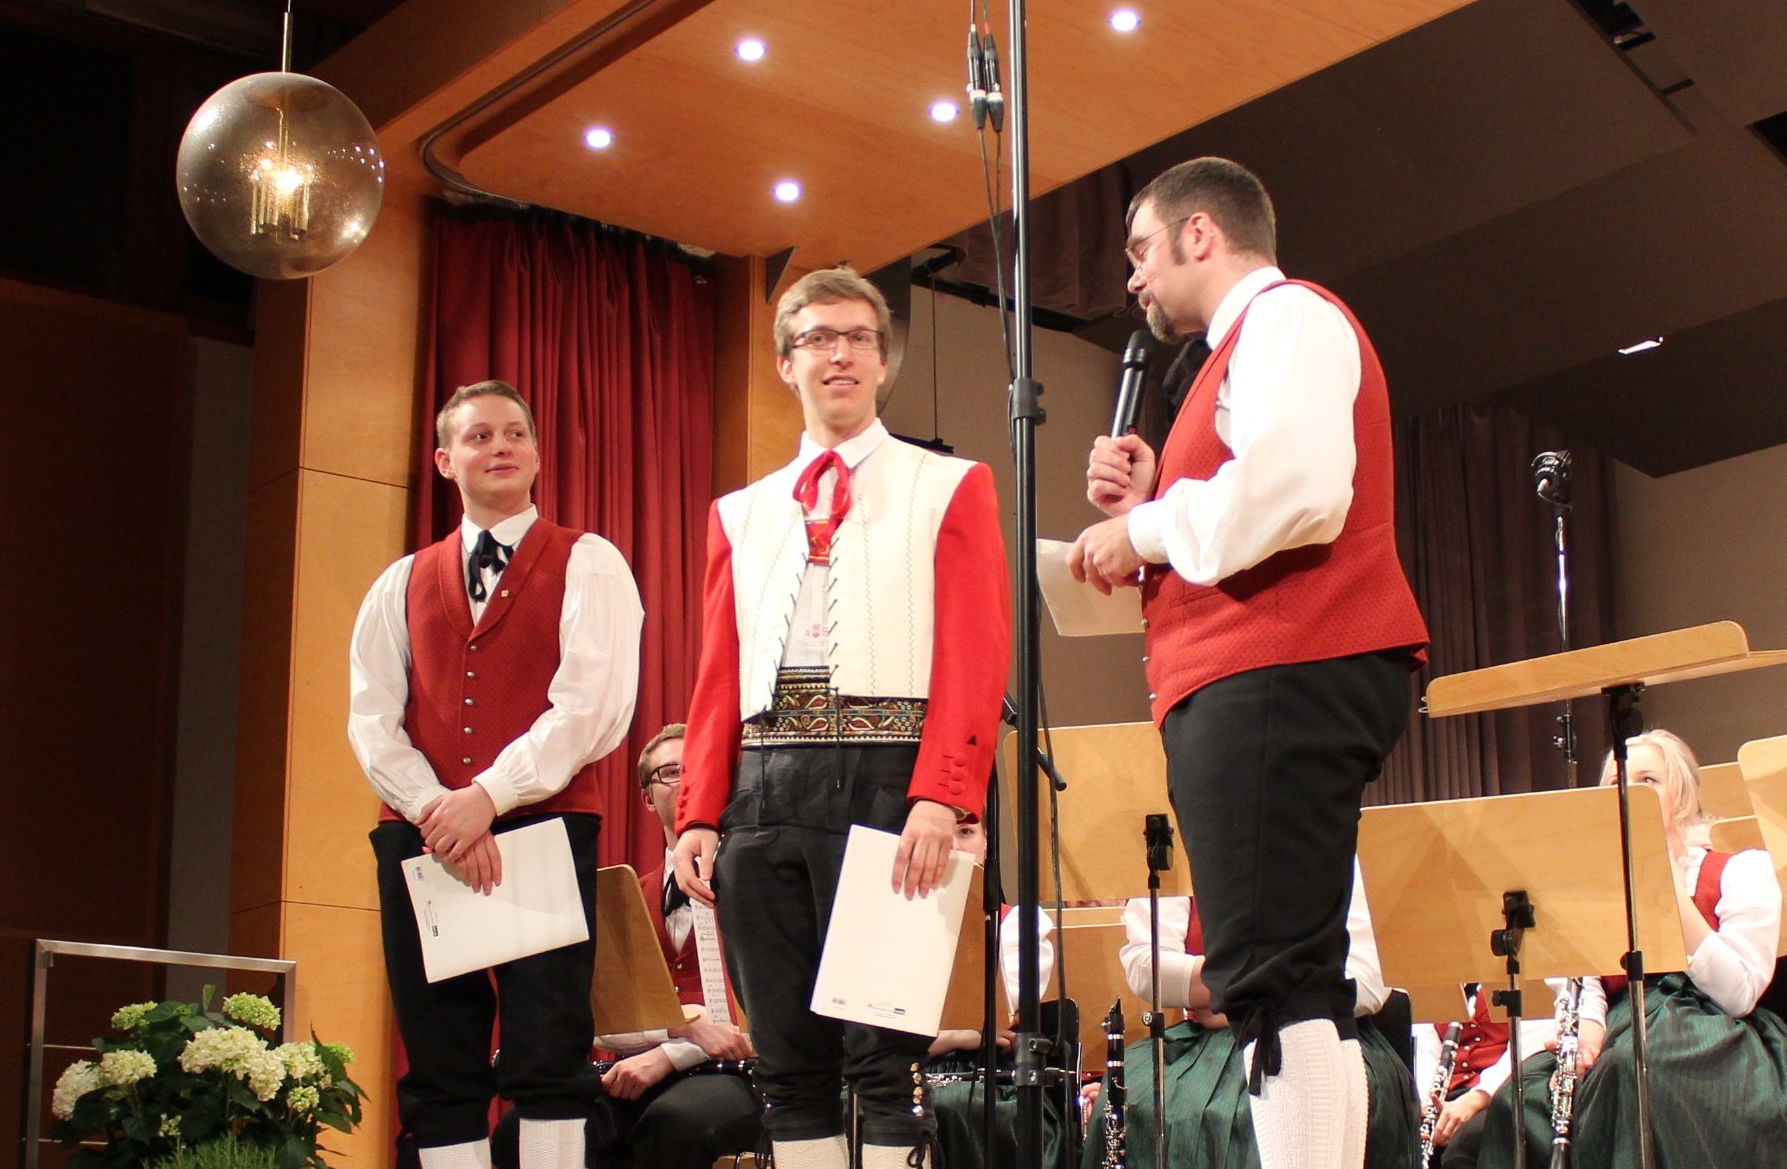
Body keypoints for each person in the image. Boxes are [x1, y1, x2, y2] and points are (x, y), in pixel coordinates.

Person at [1067, 156, 1429, 1169]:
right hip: (1275, 670)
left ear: (1199, 234)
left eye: (1140, 249)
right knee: (1291, 980)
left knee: (1271, 978)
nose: (1132, 278)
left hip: (1280, 666)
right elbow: (1255, 488)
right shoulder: (1243, 346)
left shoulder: (1284, 316)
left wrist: (1142, 530)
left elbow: (1297, 489)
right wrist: (1155, 495)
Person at [672, 268, 1011, 1169]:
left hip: (888, 781)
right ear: (787, 362)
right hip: (762, 789)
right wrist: (698, 809)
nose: (841, 354)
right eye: (819, 338)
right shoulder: (740, 513)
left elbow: (975, 653)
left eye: (860, 337)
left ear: (882, 360)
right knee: (787, 1063)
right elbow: (716, 673)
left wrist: (942, 795)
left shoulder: (948, 484)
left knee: (883, 1056)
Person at [348, 380, 644, 1169]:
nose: (501, 446)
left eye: (515, 432)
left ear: (538, 453)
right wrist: (437, 809)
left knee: (548, 1052)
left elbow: (591, 706)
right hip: (420, 835)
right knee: (440, 1059)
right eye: (479, 435)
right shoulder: (400, 581)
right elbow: (371, 717)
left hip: (542, 822)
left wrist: (489, 795)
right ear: (446, 461)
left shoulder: (588, 561)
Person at [1478, 729, 1787, 1168]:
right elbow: (1583, 981)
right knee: (1519, 1098)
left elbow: (1737, 994)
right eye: (1615, 782)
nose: (1627, 792)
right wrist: (1588, 1029)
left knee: (1636, 1070)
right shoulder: (1591, 886)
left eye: (1648, 781)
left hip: (1708, 1028)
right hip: (1620, 1022)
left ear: (1682, 794)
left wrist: (1666, 884)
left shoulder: (1741, 869)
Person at [492, 723, 761, 1169]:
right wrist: (681, 1029)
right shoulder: (627, 892)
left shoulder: (762, 886)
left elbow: (770, 1020)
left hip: (740, 1075)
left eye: (698, 768)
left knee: (672, 1126)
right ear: (647, 798)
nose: (686, 781)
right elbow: (606, 1021)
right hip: (633, 1072)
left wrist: (669, 1056)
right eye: (670, 772)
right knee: (516, 1130)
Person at [1081, 862, 1421, 1169]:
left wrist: (1236, 1000)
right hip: (1206, 1043)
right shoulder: (1177, 837)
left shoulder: (1339, 839)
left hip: (1323, 1029)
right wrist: (1261, 988)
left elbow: (1367, 979)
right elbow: (1147, 965)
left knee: (1265, 1114)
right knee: (1133, 1101)